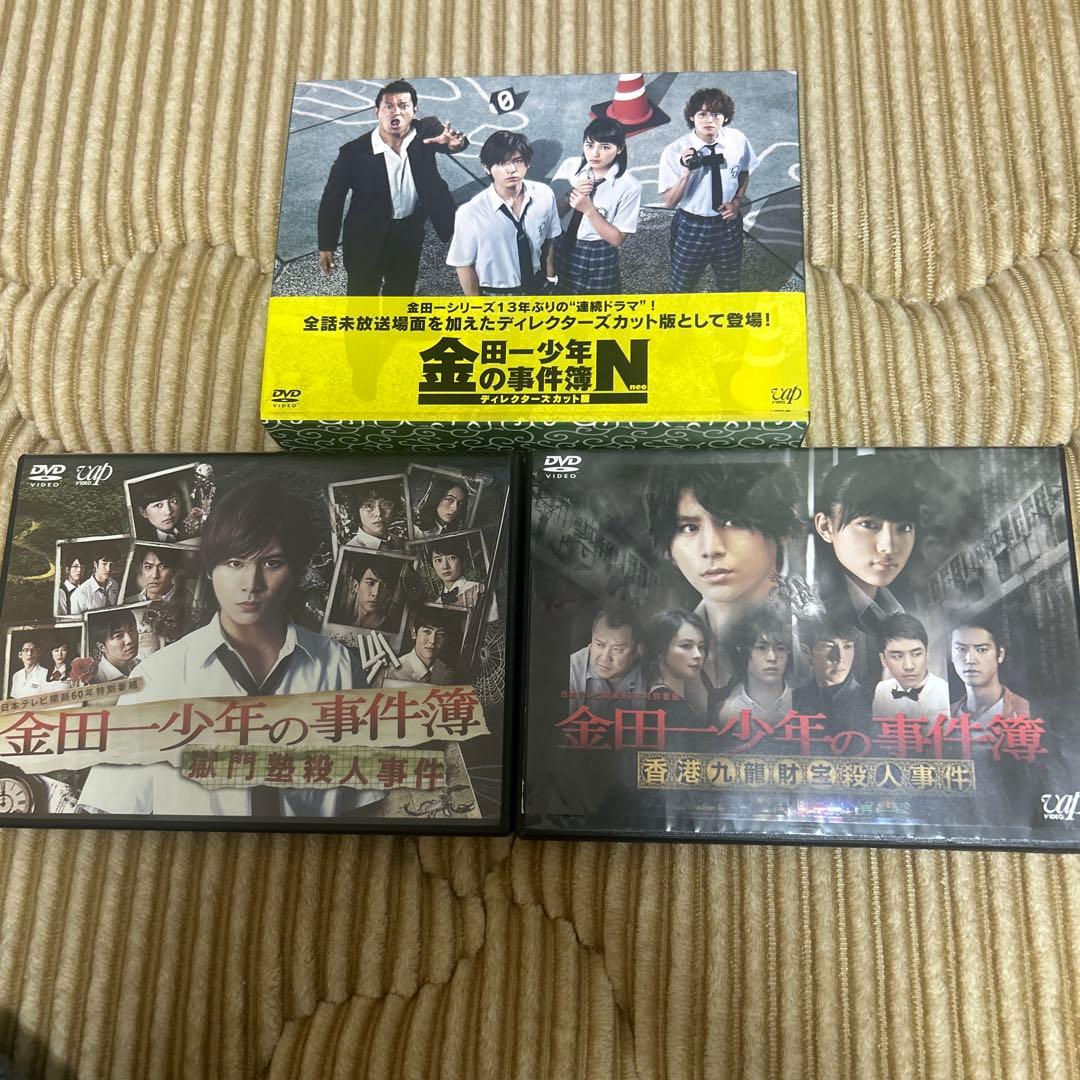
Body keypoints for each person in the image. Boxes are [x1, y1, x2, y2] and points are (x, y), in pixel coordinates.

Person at [77, 481, 376, 817]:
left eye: (272, 563)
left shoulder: (338, 666)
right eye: (235, 563)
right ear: (210, 567)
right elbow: (105, 811)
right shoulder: (158, 678)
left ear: (297, 569)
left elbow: (362, 808)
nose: (251, 584)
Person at [643, 460, 802, 690]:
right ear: (669, 548)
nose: (711, 548)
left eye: (732, 522)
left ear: (781, 530)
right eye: (689, 528)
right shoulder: (656, 660)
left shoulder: (820, 637)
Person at [317, 79, 468, 296]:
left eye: (403, 106)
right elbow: (333, 199)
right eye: (388, 106)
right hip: (366, 236)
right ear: (377, 111)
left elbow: (449, 141)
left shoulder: (426, 132)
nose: (395, 111)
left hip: (408, 232)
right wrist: (326, 244)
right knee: (362, 299)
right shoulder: (353, 153)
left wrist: (455, 144)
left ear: (414, 111)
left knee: (400, 294)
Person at [813, 454, 921, 684]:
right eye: (869, 524)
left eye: (904, 528)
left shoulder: (901, 610)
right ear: (825, 527)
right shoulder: (810, 613)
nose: (888, 546)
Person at [658, 86, 758, 292]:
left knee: (730, 282)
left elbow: (744, 171)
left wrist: (737, 201)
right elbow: (669, 201)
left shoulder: (737, 140)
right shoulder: (674, 151)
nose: (709, 120)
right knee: (681, 286)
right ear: (692, 117)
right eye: (702, 114)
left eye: (716, 114)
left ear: (725, 118)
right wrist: (686, 172)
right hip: (692, 225)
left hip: (728, 223)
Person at [446, 130, 561, 295]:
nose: (511, 169)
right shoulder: (470, 212)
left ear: (528, 163)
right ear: (486, 168)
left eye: (518, 161)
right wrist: (476, 305)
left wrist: (550, 277)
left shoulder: (544, 194)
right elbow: (463, 265)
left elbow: (549, 239)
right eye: (501, 163)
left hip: (538, 284)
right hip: (495, 293)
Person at [551, 117, 642, 293]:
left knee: (596, 301)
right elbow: (552, 214)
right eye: (589, 145)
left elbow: (617, 239)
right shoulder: (570, 166)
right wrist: (569, 196)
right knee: (558, 294)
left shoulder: (629, 186)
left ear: (620, 148)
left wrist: (589, 210)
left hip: (597, 250)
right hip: (561, 240)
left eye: (605, 147)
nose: (595, 154)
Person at [791, 617, 872, 733]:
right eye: (828, 646)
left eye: (847, 646)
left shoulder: (872, 702)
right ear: (806, 651)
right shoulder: (793, 701)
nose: (839, 658)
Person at [717, 608, 793, 730]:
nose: (772, 658)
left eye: (780, 649)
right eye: (761, 648)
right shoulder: (730, 712)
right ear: (742, 651)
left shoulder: (802, 700)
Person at [568, 606, 646, 719]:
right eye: (599, 644)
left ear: (637, 650)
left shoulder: (652, 672)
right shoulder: (572, 667)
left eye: (616, 649)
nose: (604, 658)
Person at [950, 619, 1032, 725]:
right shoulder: (945, 716)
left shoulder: (1026, 710)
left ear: (1000, 654)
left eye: (981, 650)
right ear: (951, 655)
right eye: (961, 649)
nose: (970, 659)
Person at [871, 613, 950, 721]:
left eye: (916, 654)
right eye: (897, 656)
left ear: (927, 654)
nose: (909, 666)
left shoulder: (944, 692)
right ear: (883, 659)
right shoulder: (882, 690)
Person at [640, 609, 709, 718]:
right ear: (659, 650)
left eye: (701, 647)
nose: (698, 655)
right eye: (686, 646)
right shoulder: (665, 705)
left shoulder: (671, 700)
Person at [374, 608, 454, 685]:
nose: (432, 641)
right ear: (414, 633)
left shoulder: (446, 673)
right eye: (427, 632)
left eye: (440, 634)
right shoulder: (391, 672)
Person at [429, 535, 484, 609]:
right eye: (438, 560)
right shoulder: (437, 603)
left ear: (461, 561)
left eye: (451, 558)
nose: (445, 566)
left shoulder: (478, 589)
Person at [345, 482, 403, 550]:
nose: (379, 513)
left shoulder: (399, 543)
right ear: (357, 510)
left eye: (386, 504)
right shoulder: (350, 552)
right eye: (369, 506)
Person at [88, 609, 141, 683]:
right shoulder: (98, 678)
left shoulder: (139, 664)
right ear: (102, 647)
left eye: (131, 630)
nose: (129, 640)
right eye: (118, 636)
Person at [349, 555, 400, 630]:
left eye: (385, 586)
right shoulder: (346, 626)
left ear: (390, 593)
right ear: (355, 586)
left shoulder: (392, 630)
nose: (376, 594)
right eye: (370, 583)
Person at [69, 544, 121, 614]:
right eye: (104, 564)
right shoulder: (79, 594)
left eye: (112, 564)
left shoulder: (114, 584)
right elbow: (77, 620)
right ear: (95, 564)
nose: (108, 569)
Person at [132, 477, 184, 542]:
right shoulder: (142, 542)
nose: (168, 512)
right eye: (158, 505)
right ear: (143, 512)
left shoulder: (187, 531)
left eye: (174, 501)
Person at [56, 552, 85, 616]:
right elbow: (64, 617)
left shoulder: (84, 590)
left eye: (82, 567)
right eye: (75, 566)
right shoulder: (61, 591)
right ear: (67, 570)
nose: (79, 570)